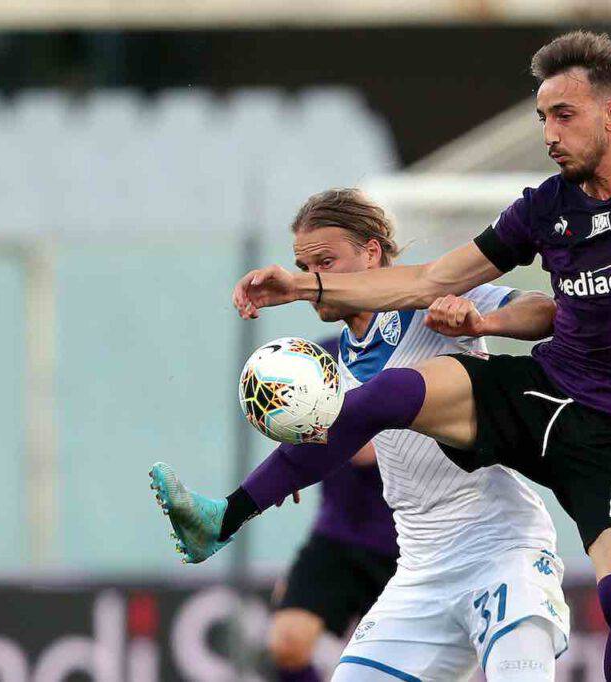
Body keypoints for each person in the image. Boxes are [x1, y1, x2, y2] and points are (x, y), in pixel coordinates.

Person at [221, 30, 611, 682]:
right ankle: (230, 512)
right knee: (386, 394)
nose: (549, 133)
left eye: (564, 115)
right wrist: (299, 286)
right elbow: (432, 278)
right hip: (545, 394)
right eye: (542, 117)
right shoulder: (542, 208)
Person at [151, 188, 570, 681]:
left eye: (325, 262)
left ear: (372, 252)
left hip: (500, 545)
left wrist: (484, 320)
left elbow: (543, 310)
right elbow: (331, 442)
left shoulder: (432, 295)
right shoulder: (327, 362)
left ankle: (224, 518)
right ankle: (223, 519)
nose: (314, 280)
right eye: (304, 268)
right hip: (420, 565)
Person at [268, 336, 399, 682]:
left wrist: (304, 447)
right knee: (288, 641)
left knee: (395, 669)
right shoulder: (322, 357)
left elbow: (366, 449)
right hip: (337, 537)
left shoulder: (413, 352)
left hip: (407, 547)